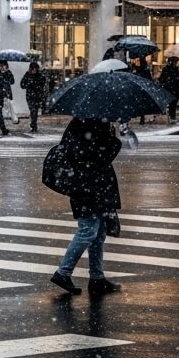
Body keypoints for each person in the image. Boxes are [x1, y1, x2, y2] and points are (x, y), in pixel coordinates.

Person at [49, 118, 123, 297]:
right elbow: (98, 156)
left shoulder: (86, 122)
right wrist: (114, 140)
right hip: (88, 188)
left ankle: (97, 278)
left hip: (92, 187)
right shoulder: (89, 124)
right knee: (88, 230)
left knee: (98, 233)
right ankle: (63, 273)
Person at [20, 62, 49, 133]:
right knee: (32, 111)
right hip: (30, 95)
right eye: (32, 69)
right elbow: (22, 85)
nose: (33, 70)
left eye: (35, 69)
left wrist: (33, 83)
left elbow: (42, 83)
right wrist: (29, 83)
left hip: (36, 96)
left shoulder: (40, 76)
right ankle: (33, 124)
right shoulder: (28, 75)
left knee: (34, 111)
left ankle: (33, 125)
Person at [159, 56, 179, 125]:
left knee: (171, 104)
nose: (176, 63)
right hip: (172, 89)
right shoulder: (172, 69)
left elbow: (162, 79)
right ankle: (172, 117)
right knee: (172, 104)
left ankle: (171, 117)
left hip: (171, 89)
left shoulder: (169, 69)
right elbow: (176, 79)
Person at [131, 56, 155, 124]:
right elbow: (149, 78)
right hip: (144, 87)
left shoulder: (137, 69)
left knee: (140, 102)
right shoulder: (145, 70)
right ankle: (142, 116)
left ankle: (141, 115)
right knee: (143, 102)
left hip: (139, 87)